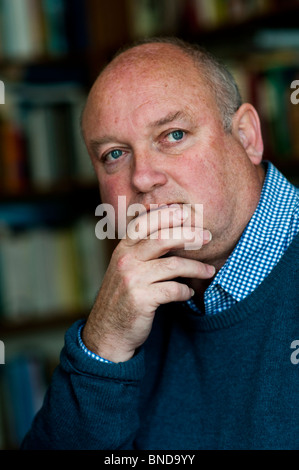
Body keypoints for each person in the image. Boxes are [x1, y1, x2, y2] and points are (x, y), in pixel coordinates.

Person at [22, 38, 299, 450]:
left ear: (245, 136)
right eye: (115, 154)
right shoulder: (127, 308)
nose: (142, 178)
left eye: (173, 135)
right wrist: (103, 346)